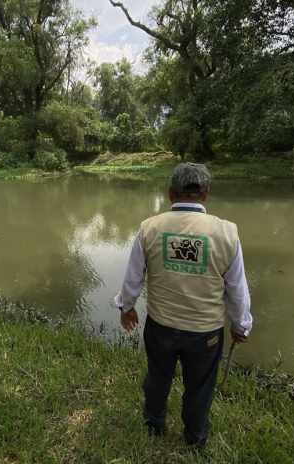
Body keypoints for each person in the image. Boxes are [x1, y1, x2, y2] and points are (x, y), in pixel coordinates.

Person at [114, 162, 253, 449]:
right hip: (206, 334)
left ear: (170, 194)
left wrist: (126, 308)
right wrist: (241, 325)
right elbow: (237, 291)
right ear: (206, 194)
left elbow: (132, 279)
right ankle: (195, 439)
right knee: (199, 388)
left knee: (158, 378)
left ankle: (154, 426)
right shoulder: (227, 233)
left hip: (160, 326)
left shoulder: (149, 228)